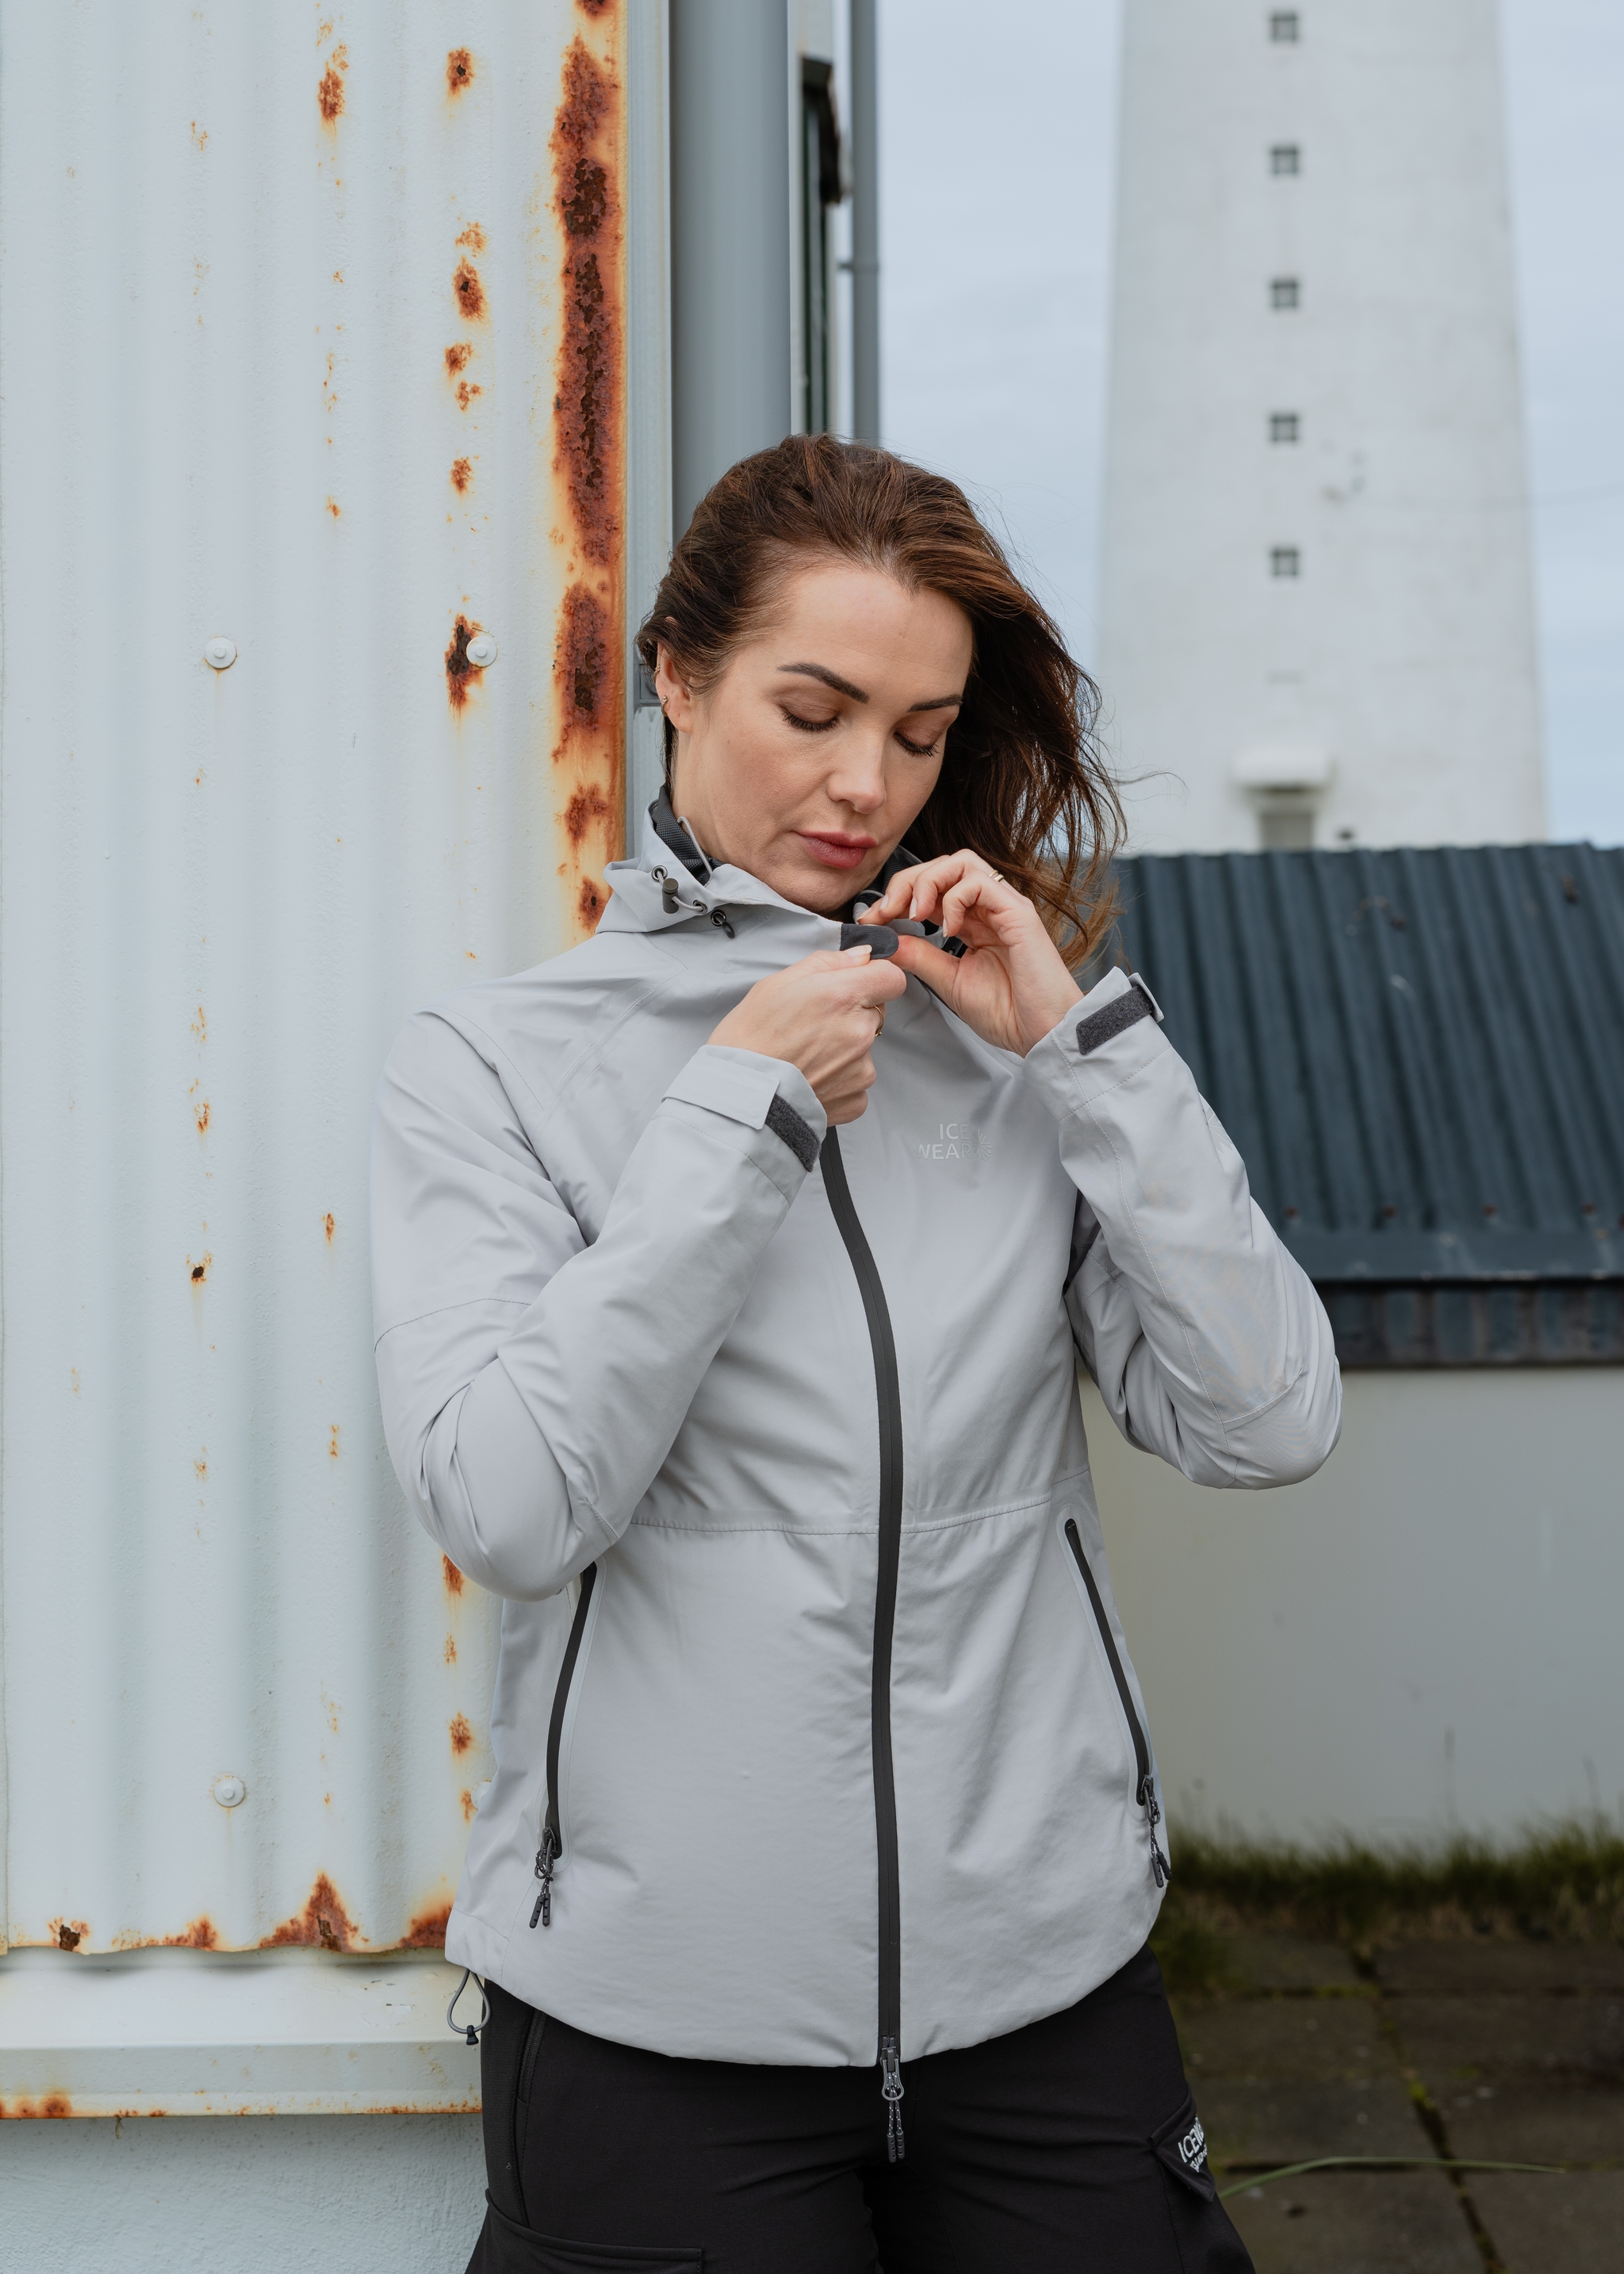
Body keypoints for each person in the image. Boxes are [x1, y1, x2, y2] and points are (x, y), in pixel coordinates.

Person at [371, 436, 1341, 2272]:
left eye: (917, 732)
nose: (863, 786)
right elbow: (507, 1502)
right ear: (675, 673)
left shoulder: (1008, 1053)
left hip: (1046, 1991)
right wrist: (738, 1114)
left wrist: (1083, 1050)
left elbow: (1268, 1416)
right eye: (810, 710)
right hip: (660, 2028)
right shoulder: (490, 1061)